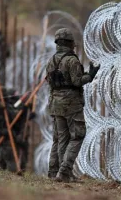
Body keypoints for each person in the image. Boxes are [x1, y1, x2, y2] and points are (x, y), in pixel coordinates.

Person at [46, 27, 99, 182]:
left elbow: (49, 82)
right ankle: (64, 172)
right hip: (71, 103)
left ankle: (54, 172)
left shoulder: (52, 61)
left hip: (55, 102)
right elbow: (77, 81)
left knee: (60, 138)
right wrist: (90, 75)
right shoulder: (72, 60)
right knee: (77, 136)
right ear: (70, 43)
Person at [0, 88, 30, 172]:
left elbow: (16, 116)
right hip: (1, 137)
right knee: (2, 159)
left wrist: (24, 109)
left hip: (9, 136)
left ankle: (13, 172)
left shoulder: (8, 106)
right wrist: (1, 131)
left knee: (10, 158)